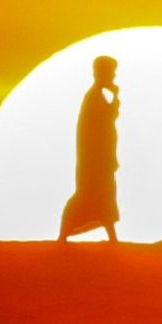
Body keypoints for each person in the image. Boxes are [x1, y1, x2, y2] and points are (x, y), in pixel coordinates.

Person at [59, 55, 121, 242]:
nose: (113, 76)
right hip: (94, 160)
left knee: (104, 194)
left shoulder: (97, 96)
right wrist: (116, 97)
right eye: (110, 72)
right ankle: (63, 235)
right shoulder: (93, 97)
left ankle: (112, 237)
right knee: (88, 195)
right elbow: (100, 125)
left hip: (101, 159)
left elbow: (108, 120)